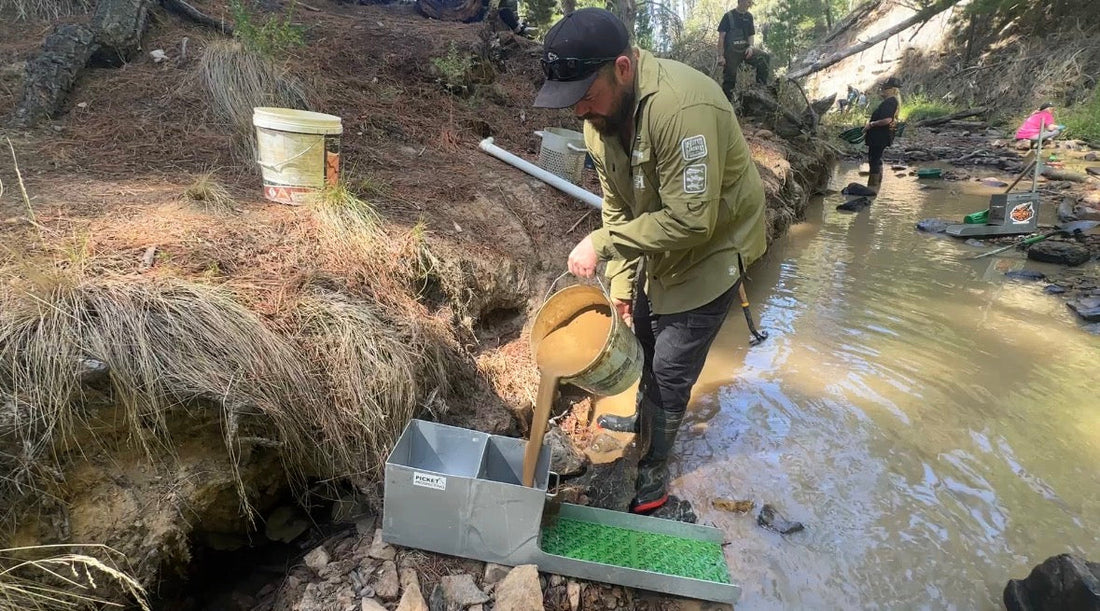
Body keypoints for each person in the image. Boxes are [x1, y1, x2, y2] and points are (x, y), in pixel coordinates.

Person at [533, 8, 767, 515]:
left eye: (585, 96)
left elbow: (692, 223)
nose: (579, 112)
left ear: (622, 68)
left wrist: (603, 244)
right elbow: (618, 205)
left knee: (670, 369)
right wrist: (618, 283)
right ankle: (643, 425)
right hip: (661, 242)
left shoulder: (684, 108)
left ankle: (654, 477)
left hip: (712, 249)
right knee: (642, 331)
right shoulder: (600, 120)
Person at [716, 0, 771, 98]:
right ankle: (728, 103)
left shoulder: (749, 16)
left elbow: (751, 35)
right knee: (729, 79)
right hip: (731, 53)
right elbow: (721, 37)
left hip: (746, 50)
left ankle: (761, 91)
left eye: (750, 2)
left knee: (764, 58)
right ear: (740, 1)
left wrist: (750, 47)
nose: (749, 5)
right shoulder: (728, 16)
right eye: (747, 2)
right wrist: (721, 56)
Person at [862, 77, 901, 191]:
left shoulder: (889, 102)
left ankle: (871, 188)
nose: (881, 91)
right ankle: (876, 185)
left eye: (884, 89)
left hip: (879, 136)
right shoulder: (894, 101)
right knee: (877, 158)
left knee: (873, 159)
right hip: (882, 136)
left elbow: (887, 120)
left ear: (890, 90)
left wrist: (872, 124)